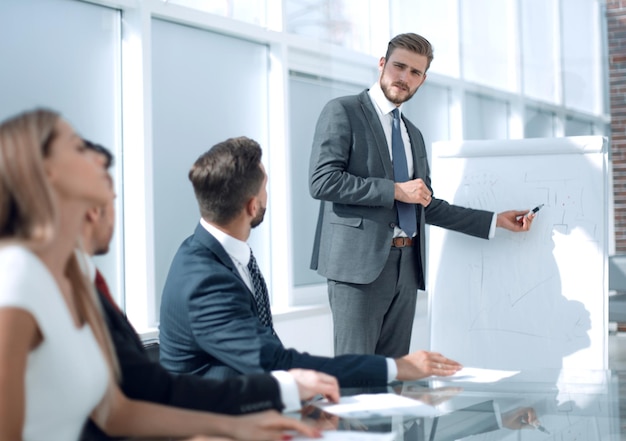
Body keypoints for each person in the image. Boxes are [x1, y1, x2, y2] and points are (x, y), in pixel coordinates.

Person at [0, 109, 320, 441]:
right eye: (78, 148)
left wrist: (235, 428)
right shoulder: (17, 276)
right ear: (45, 172)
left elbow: (115, 412)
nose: (98, 158)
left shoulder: (73, 281)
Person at [78, 140, 340, 441]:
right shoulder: (203, 275)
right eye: (105, 198)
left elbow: (122, 408)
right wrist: (284, 393)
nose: (112, 204)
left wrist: (289, 398)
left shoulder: (231, 259)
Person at [159, 136, 463, 388]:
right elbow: (274, 362)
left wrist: (304, 397)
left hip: (255, 406)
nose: (267, 195)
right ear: (252, 206)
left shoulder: (224, 256)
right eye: (265, 187)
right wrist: (396, 368)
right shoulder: (204, 280)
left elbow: (266, 353)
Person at [308, 32, 535, 358]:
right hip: (358, 268)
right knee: (358, 378)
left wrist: (494, 221)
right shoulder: (343, 111)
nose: (404, 78)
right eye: (399, 66)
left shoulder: (412, 133)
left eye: (415, 72)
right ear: (383, 64)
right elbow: (323, 181)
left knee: (395, 376)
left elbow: (423, 204)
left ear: (423, 80)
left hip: (406, 266)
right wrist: (396, 190)